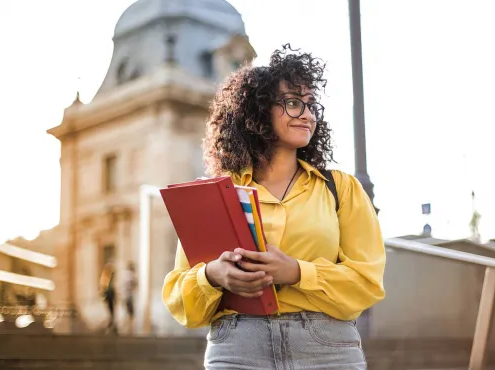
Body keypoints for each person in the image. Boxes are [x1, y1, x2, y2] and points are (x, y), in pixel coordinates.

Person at [162, 44, 386, 369]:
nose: (307, 114)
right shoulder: (216, 196)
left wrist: (296, 272)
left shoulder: (341, 188)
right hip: (237, 349)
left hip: (326, 349)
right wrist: (213, 275)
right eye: (293, 103)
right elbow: (181, 299)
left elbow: (367, 282)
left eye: (311, 105)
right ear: (258, 110)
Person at [99, 262, 117, 335]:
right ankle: (111, 321)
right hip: (109, 294)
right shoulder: (106, 276)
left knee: (111, 309)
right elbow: (104, 286)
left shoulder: (107, 276)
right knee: (110, 309)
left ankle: (111, 321)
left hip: (110, 294)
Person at [123, 261, 138, 334]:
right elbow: (133, 285)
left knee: (129, 311)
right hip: (129, 295)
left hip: (127, 295)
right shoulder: (130, 275)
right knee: (130, 312)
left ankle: (129, 326)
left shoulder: (126, 275)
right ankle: (129, 326)